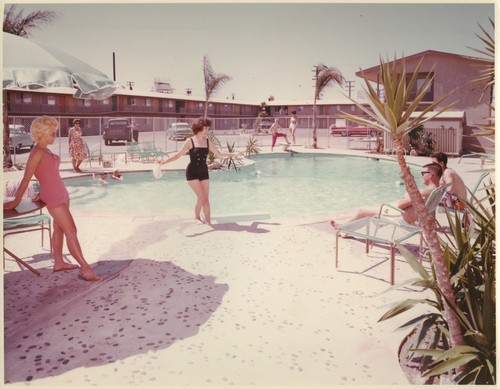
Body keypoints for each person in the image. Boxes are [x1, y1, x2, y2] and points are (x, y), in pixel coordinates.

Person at [4, 116, 100, 281]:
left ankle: (59, 263)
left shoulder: (46, 150)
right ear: (41, 133)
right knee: (72, 231)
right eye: (51, 133)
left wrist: (41, 193)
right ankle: (85, 268)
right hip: (54, 197)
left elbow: (48, 174)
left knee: (60, 229)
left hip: (61, 193)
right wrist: (15, 201)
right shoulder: (36, 153)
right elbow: (26, 179)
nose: (55, 136)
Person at [157, 117, 243, 225]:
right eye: (206, 128)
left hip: (203, 172)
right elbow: (177, 155)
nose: (208, 130)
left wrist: (234, 154)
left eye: (208, 128)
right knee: (202, 198)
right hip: (192, 173)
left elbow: (218, 153)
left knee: (205, 199)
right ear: (199, 128)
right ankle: (197, 217)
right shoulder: (190, 141)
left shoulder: (207, 141)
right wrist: (163, 162)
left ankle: (208, 222)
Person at [331, 162, 443, 228]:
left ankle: (342, 228)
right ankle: (346, 224)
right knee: (375, 207)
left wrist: (408, 192)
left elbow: (400, 205)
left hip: (401, 219)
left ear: (431, 175)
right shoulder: (437, 190)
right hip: (411, 219)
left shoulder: (422, 193)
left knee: (363, 210)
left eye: (423, 173)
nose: (421, 176)